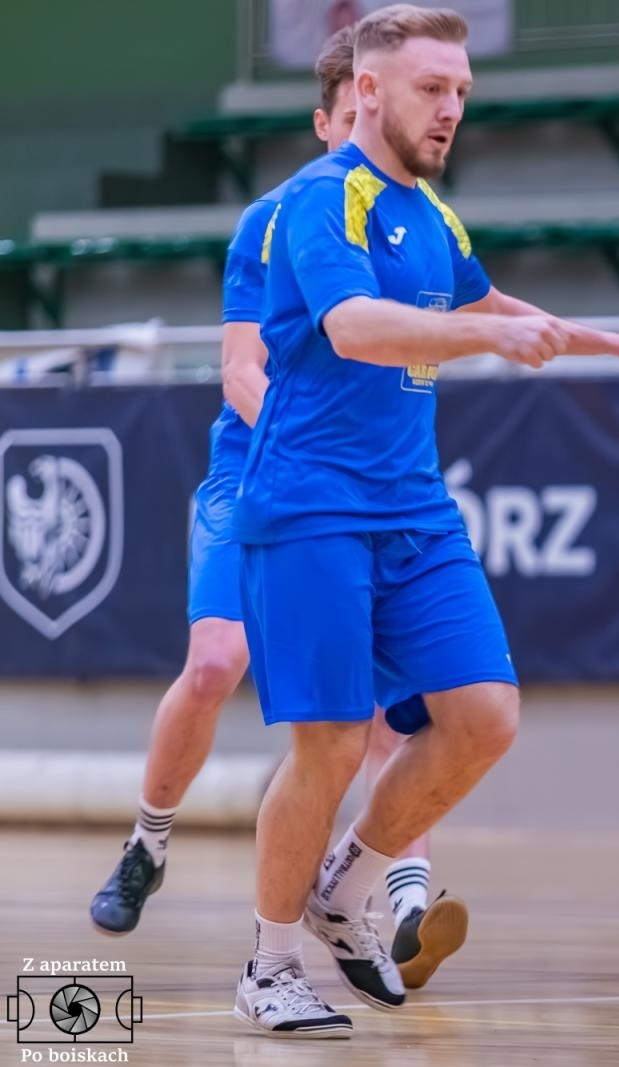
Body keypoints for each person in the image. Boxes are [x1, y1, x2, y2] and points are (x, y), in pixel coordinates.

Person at [232, 4, 619, 1038]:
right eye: (433, 89)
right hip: (312, 507)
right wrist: (484, 341)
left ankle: (343, 882)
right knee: (332, 742)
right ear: (368, 91)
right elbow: (353, 329)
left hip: (413, 510)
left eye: (461, 93)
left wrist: (608, 340)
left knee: (483, 715)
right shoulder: (320, 200)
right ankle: (267, 964)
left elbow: (493, 310)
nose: (451, 110)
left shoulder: (432, 213)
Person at [88, 27, 468, 993]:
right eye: (348, 119)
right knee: (216, 660)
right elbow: (242, 369)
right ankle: (149, 838)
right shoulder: (278, 219)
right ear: (336, 115)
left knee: (395, 700)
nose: (362, 136)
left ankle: (405, 897)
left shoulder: (421, 215)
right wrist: (304, 447)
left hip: (359, 493)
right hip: (259, 477)